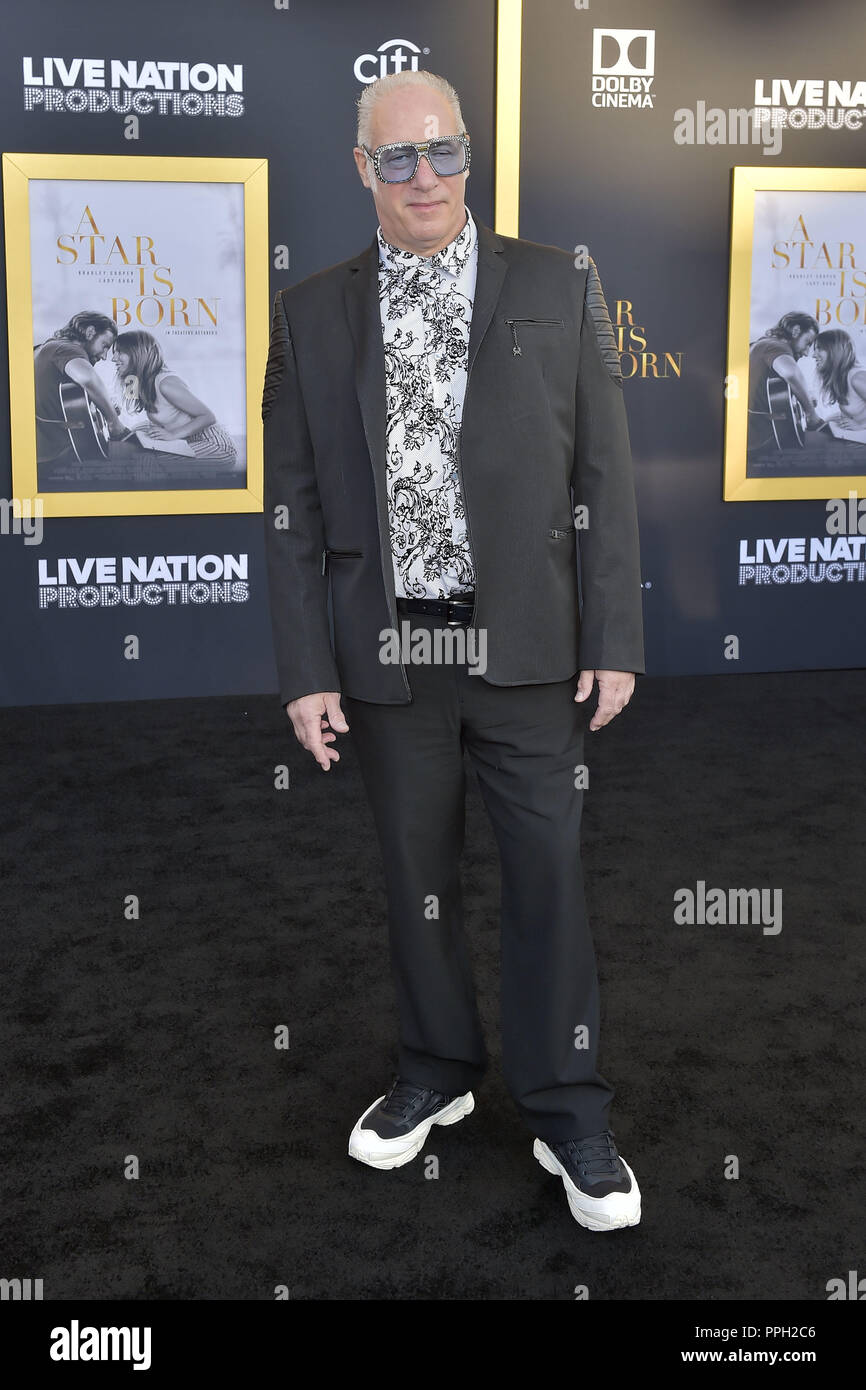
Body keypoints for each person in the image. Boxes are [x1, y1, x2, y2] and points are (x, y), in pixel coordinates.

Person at [262, 69, 645, 1232]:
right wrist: (305, 668)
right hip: (387, 656)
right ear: (360, 169)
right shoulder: (312, 310)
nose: (423, 177)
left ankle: (567, 1107)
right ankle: (434, 1070)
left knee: (546, 880)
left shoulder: (550, 280)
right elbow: (288, 507)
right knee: (415, 881)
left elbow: (604, 474)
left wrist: (613, 634)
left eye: (443, 152)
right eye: (396, 158)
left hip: (527, 650)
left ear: (467, 157)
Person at [112, 330, 237, 462]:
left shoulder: (166, 384)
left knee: (145, 460)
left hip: (214, 444)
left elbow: (208, 416)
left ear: (137, 353)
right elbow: (129, 411)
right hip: (184, 439)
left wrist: (172, 435)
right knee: (132, 435)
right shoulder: (142, 382)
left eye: (119, 352)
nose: (113, 358)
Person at [34, 311, 129, 464]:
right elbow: (88, 378)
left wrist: (103, 407)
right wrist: (114, 422)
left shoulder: (42, 349)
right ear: (90, 332)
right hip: (62, 456)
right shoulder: (68, 349)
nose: (104, 356)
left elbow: (69, 403)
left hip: (40, 458)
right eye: (104, 346)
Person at [747, 311, 822, 454]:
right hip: (764, 442)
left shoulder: (760, 344)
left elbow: (775, 393)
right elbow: (791, 373)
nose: (807, 352)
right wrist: (811, 414)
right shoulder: (776, 346)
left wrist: (803, 396)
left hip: (754, 439)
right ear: (795, 331)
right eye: (807, 343)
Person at [810, 328, 866, 444]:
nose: (813, 355)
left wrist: (861, 426)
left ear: (834, 350)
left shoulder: (858, 378)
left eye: (819, 348)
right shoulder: (842, 377)